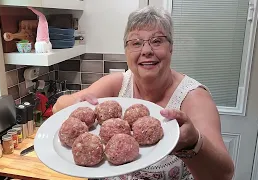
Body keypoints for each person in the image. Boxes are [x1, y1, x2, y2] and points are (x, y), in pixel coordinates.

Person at [53, 6, 234, 180]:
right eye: (136, 43)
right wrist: (78, 103)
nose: (146, 51)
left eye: (156, 41)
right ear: (126, 51)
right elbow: (57, 107)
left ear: (171, 47)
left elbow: (223, 175)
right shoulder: (117, 84)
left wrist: (194, 143)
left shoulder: (194, 98)